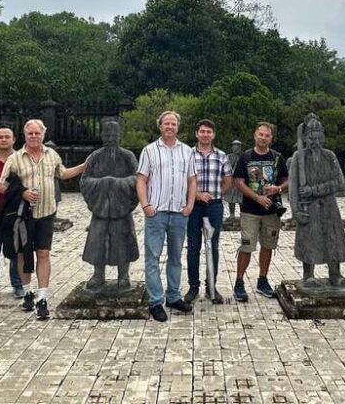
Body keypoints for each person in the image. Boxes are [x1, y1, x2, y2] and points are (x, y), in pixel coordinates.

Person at [0, 119, 86, 320]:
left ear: (43, 135)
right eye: (30, 133)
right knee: (23, 254)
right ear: (25, 135)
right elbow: (2, 186)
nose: (34, 136)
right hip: (23, 215)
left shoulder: (51, 155)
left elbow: (63, 174)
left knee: (44, 253)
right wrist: (22, 192)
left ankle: (43, 297)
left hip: (46, 213)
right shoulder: (15, 159)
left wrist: (84, 166)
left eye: (37, 133)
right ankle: (27, 292)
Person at [137, 110, 197, 322]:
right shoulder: (149, 150)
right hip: (156, 212)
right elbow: (141, 179)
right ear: (160, 126)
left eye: (173, 124)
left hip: (179, 213)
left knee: (175, 257)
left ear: (178, 127)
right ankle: (155, 301)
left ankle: (173, 297)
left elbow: (192, 180)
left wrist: (190, 204)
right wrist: (145, 205)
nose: (170, 127)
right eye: (166, 123)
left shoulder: (187, 151)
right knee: (152, 258)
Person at [289, 113, 345, 287]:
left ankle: (335, 274)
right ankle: (308, 275)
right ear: (305, 138)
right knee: (309, 240)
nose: (314, 141)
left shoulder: (330, 156)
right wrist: (296, 211)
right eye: (311, 138)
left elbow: (339, 182)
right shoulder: (298, 158)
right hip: (308, 207)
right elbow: (293, 187)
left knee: (333, 239)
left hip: (329, 206)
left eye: (317, 138)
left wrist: (314, 190)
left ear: (322, 138)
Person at [80, 118, 139, 292]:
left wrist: (116, 183)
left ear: (120, 135)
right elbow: (84, 180)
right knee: (97, 241)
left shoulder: (128, 156)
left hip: (122, 208)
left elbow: (138, 179)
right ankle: (98, 275)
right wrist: (104, 183)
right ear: (101, 135)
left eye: (115, 134)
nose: (111, 138)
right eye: (107, 134)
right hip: (100, 208)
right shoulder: (95, 156)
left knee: (123, 240)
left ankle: (123, 275)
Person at [233, 122, 289, 301]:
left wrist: (278, 189)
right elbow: (239, 182)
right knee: (246, 246)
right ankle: (239, 281)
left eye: (267, 135)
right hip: (250, 210)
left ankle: (262, 280)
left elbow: (287, 180)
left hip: (271, 211)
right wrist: (257, 198)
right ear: (255, 135)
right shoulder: (246, 157)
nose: (263, 138)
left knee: (268, 246)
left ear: (271, 138)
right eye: (261, 134)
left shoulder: (277, 157)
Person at [185, 119, 233, 304]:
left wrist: (216, 194)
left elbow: (228, 180)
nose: (205, 135)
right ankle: (193, 287)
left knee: (213, 246)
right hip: (193, 206)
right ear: (196, 134)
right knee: (193, 247)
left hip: (214, 207)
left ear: (213, 135)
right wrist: (197, 195)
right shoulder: (187, 154)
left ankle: (211, 286)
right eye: (202, 131)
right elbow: (182, 180)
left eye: (209, 132)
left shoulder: (221, 155)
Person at [0, 127, 24, 298]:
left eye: (7, 137)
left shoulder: (22, 160)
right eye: (0, 137)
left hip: (15, 213)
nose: (3, 139)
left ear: (13, 139)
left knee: (16, 250)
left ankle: (18, 283)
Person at [225, 140, 243, 219]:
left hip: (240, 181)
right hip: (231, 181)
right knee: (231, 199)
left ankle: (242, 215)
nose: (236, 148)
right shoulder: (228, 157)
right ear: (232, 147)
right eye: (235, 146)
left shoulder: (243, 157)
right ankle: (232, 215)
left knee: (241, 199)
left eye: (238, 146)